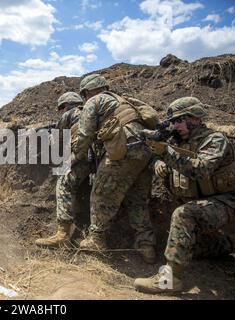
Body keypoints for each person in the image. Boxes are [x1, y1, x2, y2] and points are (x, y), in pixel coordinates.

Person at [134, 97, 235, 293]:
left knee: (184, 214)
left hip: (233, 203)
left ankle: (170, 280)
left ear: (195, 118)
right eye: (173, 122)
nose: (175, 126)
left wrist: (166, 153)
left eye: (179, 120)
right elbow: (160, 155)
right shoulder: (180, 141)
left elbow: (201, 169)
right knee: (187, 247)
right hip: (210, 205)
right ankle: (234, 241)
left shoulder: (214, 139)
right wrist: (158, 161)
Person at [72, 74, 156, 264]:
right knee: (137, 199)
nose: (84, 98)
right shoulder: (123, 101)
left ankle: (96, 239)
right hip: (145, 152)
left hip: (123, 153)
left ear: (87, 92)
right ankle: (146, 245)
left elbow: (85, 134)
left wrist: (75, 157)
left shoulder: (94, 101)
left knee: (100, 194)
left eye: (84, 94)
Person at [35, 92, 93, 248]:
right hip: (99, 158)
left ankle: (62, 235)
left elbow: (57, 141)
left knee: (63, 182)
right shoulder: (90, 111)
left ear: (65, 106)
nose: (61, 112)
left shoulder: (70, 113)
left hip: (85, 157)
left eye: (60, 109)